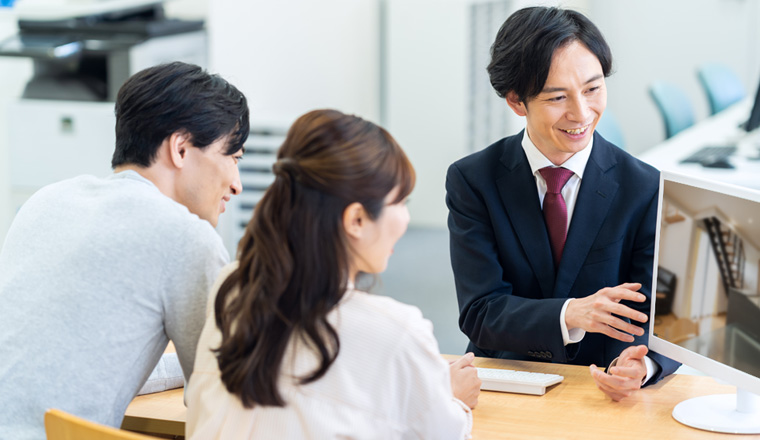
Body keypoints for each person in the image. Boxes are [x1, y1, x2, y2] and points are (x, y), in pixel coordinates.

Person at [187, 109, 480, 439]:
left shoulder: (233, 286)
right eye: (400, 202)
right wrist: (447, 398)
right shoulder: (397, 332)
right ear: (356, 220)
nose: (406, 220)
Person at [0, 61, 249, 438]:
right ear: (181, 149)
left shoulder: (46, 200)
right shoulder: (186, 238)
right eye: (233, 157)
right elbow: (220, 399)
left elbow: (78, 362)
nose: (237, 184)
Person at [445, 6, 679, 402]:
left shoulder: (645, 186)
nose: (582, 113)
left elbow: (659, 317)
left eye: (593, 88)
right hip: (508, 379)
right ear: (516, 101)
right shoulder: (474, 180)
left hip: (601, 386)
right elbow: (480, 311)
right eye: (558, 97)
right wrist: (569, 313)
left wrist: (643, 365)